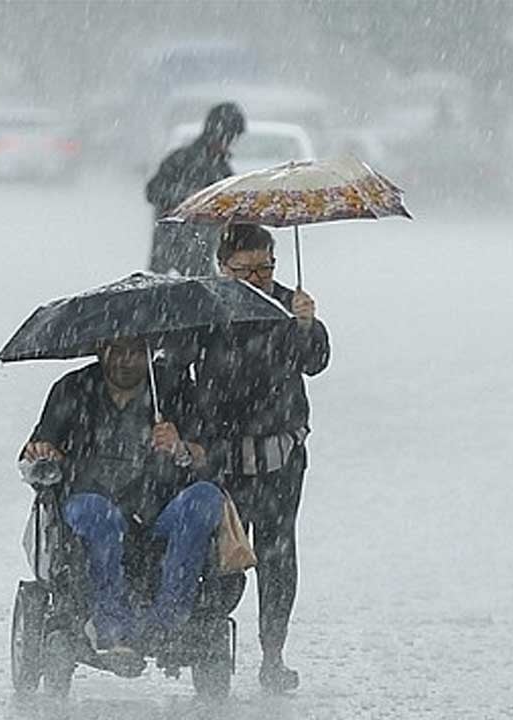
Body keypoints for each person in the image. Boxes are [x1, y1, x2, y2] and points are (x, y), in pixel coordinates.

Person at [20, 336, 225, 664]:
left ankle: (168, 622)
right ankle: (112, 627)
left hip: (159, 511)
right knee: (98, 515)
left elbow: (213, 454)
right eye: (117, 351)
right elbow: (35, 451)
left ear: (148, 353)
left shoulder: (175, 388)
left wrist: (181, 448)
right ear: (101, 349)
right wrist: (44, 453)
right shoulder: (72, 389)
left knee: (206, 498)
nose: (125, 360)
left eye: (134, 352)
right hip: (90, 503)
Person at [194, 223, 330, 692]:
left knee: (277, 556)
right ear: (222, 267)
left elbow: (315, 360)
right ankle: (210, 651)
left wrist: (307, 326)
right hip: (222, 463)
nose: (258, 278)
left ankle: (273, 655)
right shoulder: (204, 309)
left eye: (266, 267)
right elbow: (176, 370)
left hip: (280, 460)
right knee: (222, 558)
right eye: (246, 270)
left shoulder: (290, 308)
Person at [145, 102, 245, 276]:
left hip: (202, 253)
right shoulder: (180, 160)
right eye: (228, 137)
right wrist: (186, 197)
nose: (229, 143)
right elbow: (153, 191)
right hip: (170, 249)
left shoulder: (223, 171)